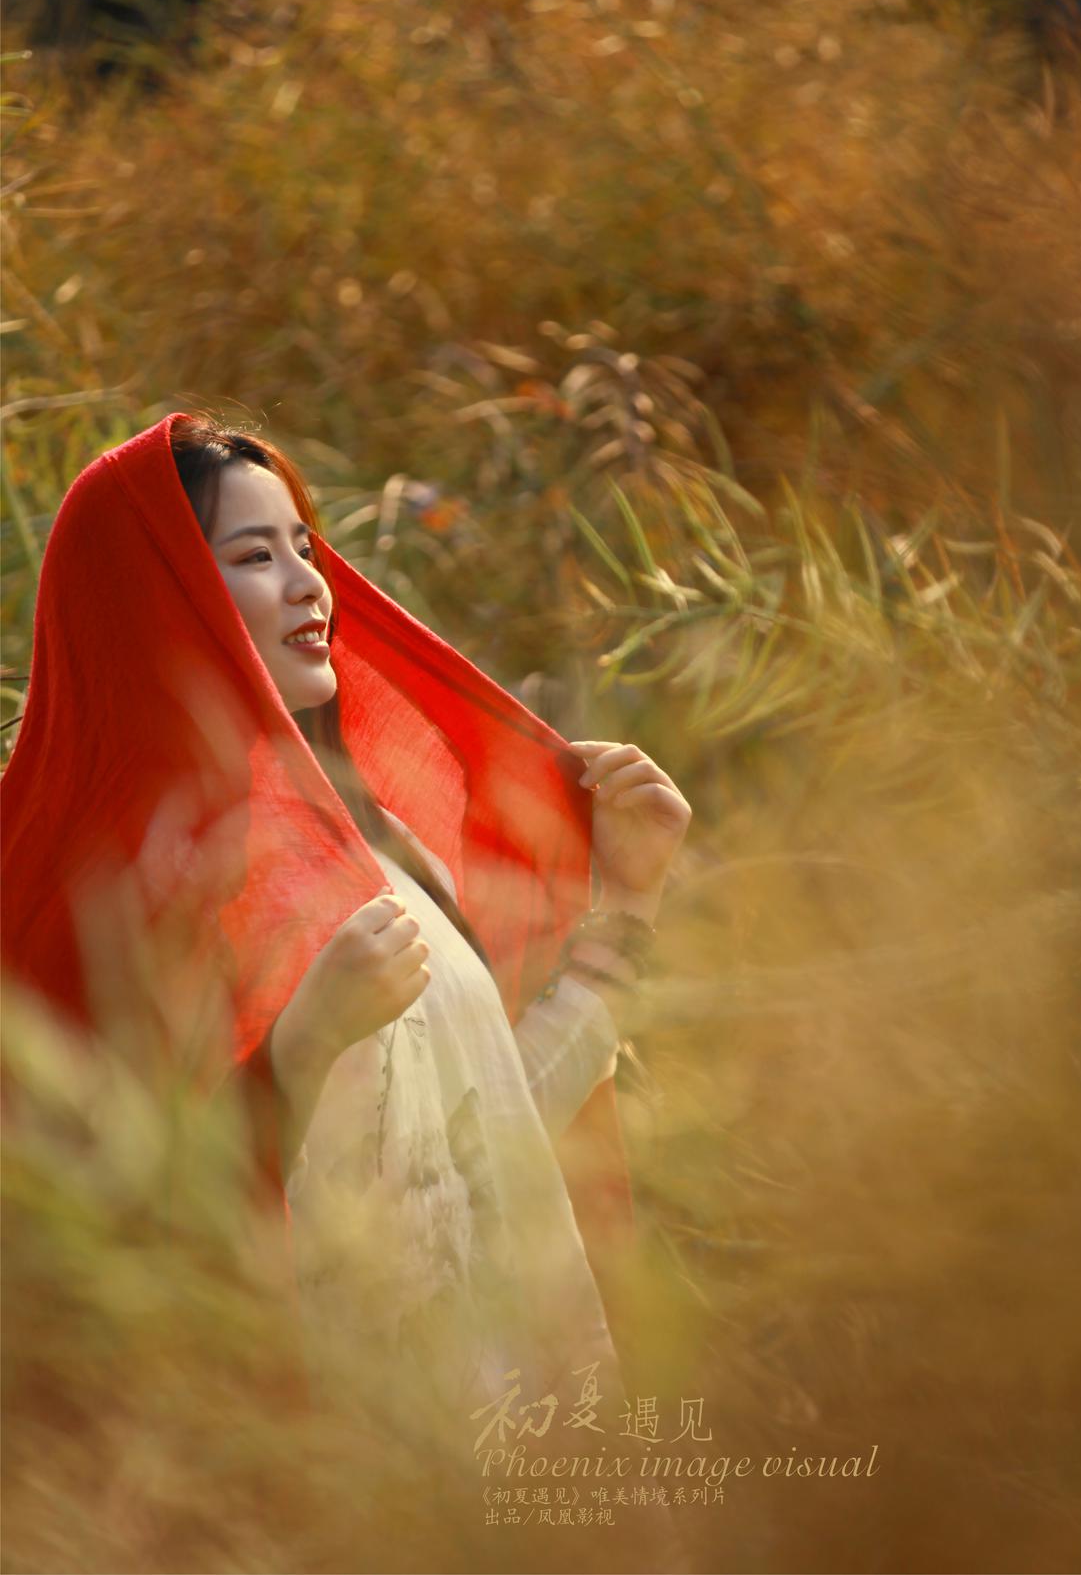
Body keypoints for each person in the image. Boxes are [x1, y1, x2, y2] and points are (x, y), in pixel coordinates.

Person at [1, 409, 692, 1460]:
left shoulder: (379, 862)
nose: (309, 584)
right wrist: (298, 1050)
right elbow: (95, 1244)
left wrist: (629, 908)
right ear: (158, 596)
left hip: (494, 1432)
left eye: (305, 548)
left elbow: (490, 1136)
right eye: (253, 556)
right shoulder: (109, 895)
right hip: (318, 1466)